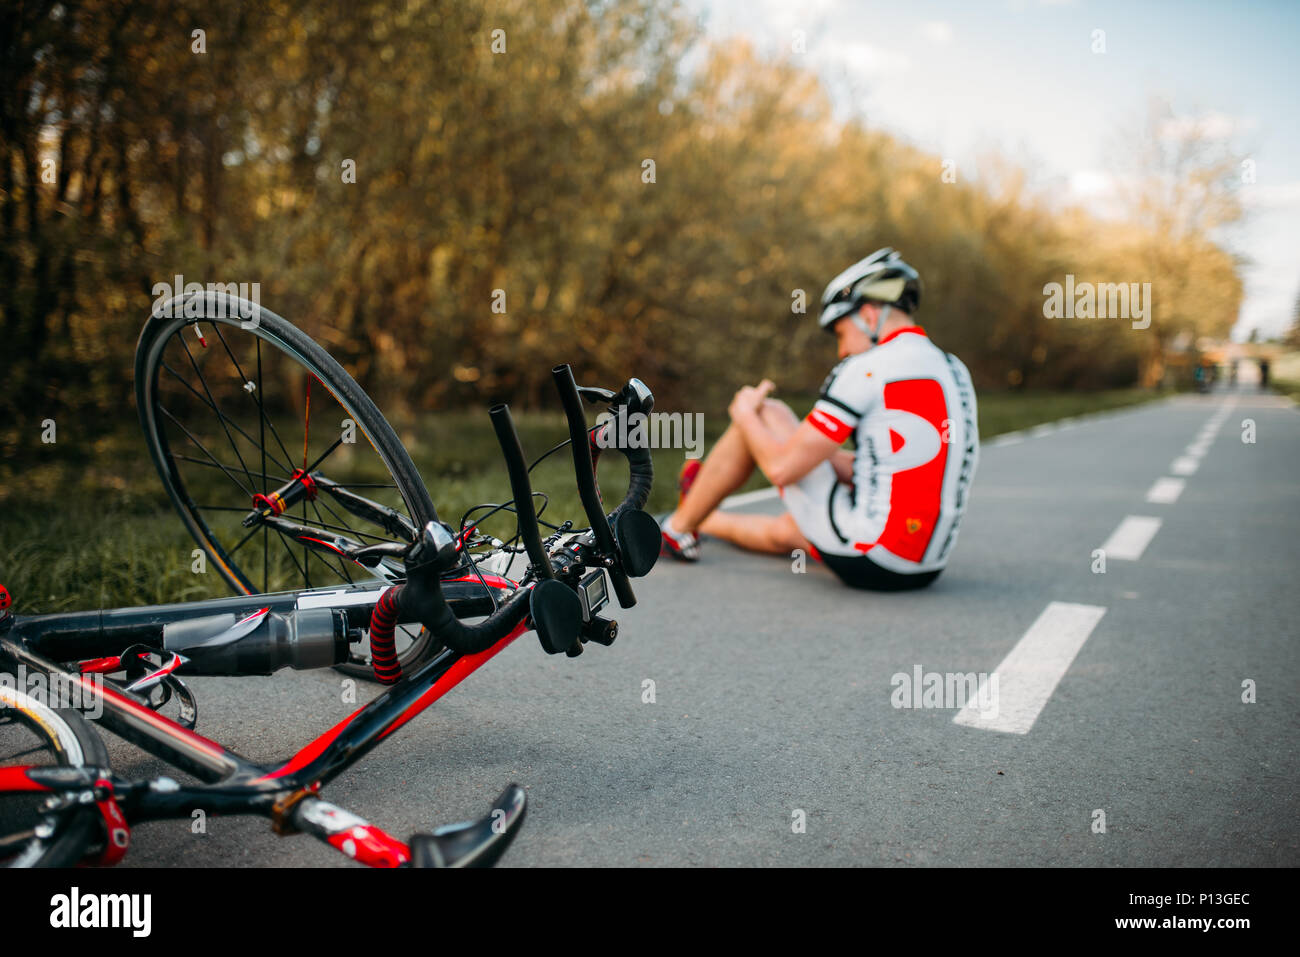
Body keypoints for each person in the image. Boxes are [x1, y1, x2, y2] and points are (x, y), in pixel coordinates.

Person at [659, 248, 980, 591]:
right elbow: (897, 465)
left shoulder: (869, 367)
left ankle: (676, 531)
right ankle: (701, 515)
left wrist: (743, 413)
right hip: (925, 567)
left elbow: (781, 468)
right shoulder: (953, 367)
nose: (841, 351)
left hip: (869, 558)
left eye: (841, 334)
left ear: (869, 316)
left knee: (767, 412)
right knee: (785, 531)